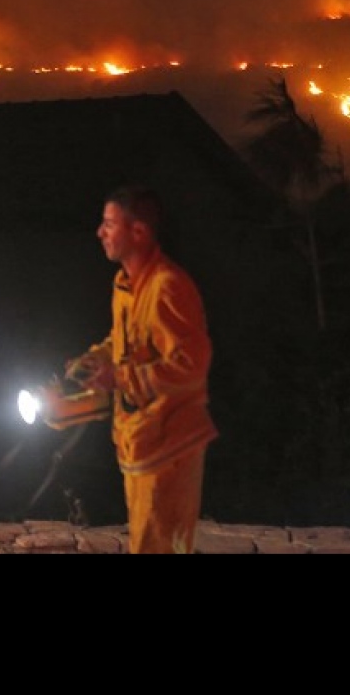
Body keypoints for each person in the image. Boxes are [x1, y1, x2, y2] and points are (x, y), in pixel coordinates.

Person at [65, 184, 217, 554]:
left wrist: (120, 377)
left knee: (159, 546)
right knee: (147, 544)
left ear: (138, 232)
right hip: (141, 440)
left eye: (108, 224)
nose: (99, 232)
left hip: (172, 444)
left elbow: (191, 365)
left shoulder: (169, 286)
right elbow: (122, 342)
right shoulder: (126, 285)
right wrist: (94, 360)